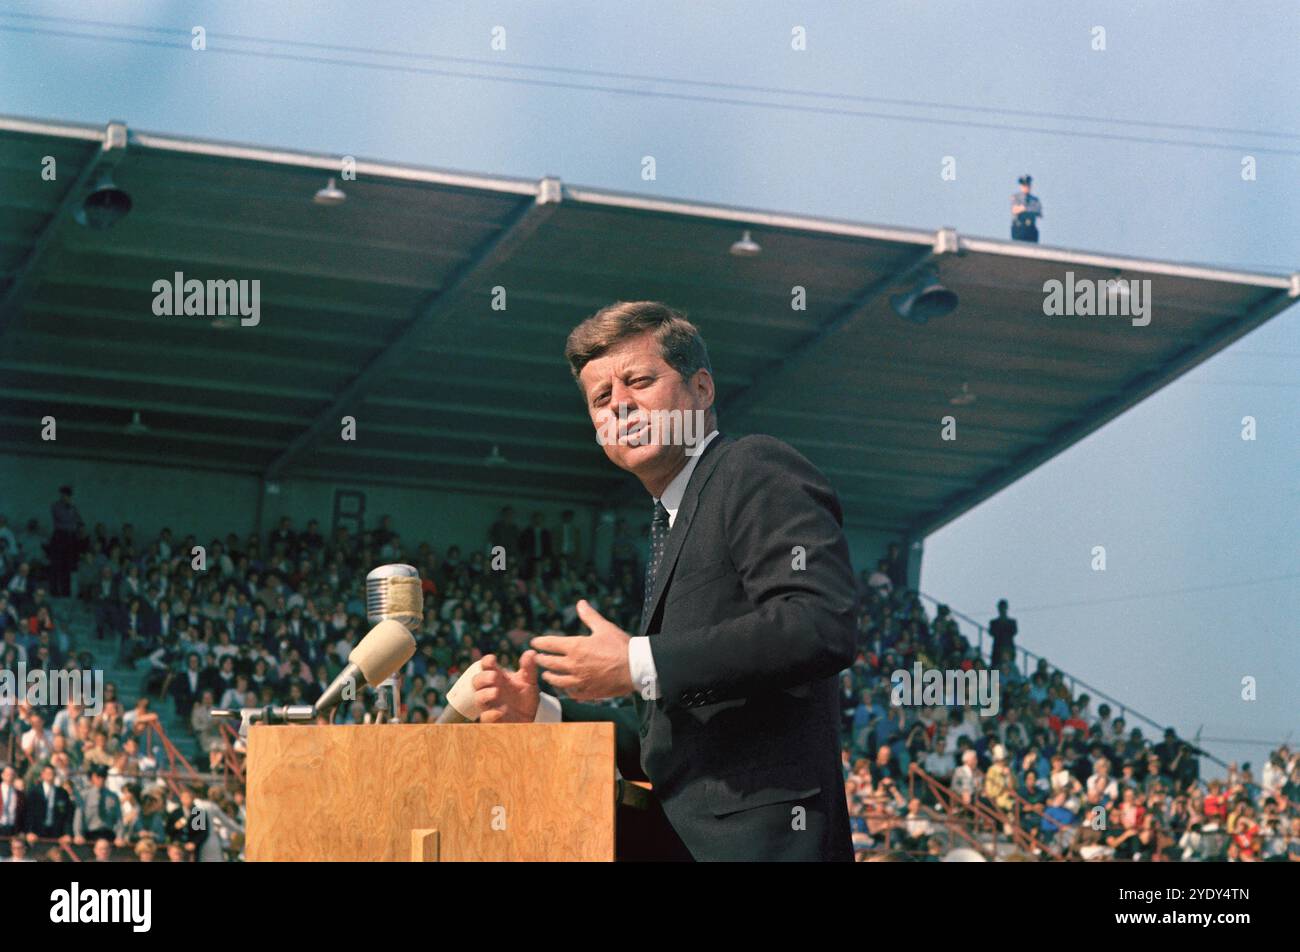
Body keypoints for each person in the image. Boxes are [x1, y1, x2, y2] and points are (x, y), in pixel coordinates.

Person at [472, 301, 857, 861]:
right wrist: (541, 711)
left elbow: (820, 623)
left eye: (639, 381)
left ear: (702, 389)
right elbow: (665, 738)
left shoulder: (752, 468)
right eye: (601, 398)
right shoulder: (668, 525)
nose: (620, 404)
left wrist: (635, 663)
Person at [48, 484, 85, 597]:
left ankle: (65, 591)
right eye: (64, 495)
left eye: (68, 496)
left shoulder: (73, 507)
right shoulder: (56, 506)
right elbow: (63, 519)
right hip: (60, 536)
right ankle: (54, 590)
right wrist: (71, 514)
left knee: (67, 566)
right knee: (56, 565)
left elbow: (79, 520)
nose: (66, 497)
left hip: (70, 538)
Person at [1010, 174, 1043, 242]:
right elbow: (1015, 210)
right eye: (1024, 185)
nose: (1026, 187)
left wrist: (1024, 208)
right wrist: (1030, 209)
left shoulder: (1035, 199)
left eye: (1028, 185)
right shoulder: (1016, 197)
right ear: (1021, 186)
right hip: (1019, 229)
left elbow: (1039, 212)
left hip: (1031, 230)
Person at [989, 598, 1017, 666]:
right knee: (995, 668)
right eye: (1001, 607)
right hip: (997, 649)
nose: (1002, 609)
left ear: (1006, 608)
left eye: (1004, 607)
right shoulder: (993, 622)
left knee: (1009, 667)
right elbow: (992, 633)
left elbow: (1014, 631)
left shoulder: (1012, 622)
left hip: (1009, 648)